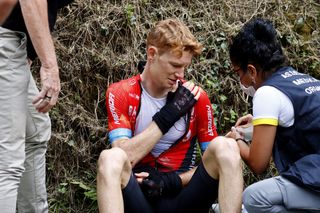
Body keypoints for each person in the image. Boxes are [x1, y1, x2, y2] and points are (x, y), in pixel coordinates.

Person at [97, 18, 243, 213]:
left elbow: (214, 165)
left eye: (185, 66)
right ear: (152, 54)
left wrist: (171, 181)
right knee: (109, 158)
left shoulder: (195, 98)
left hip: (183, 197)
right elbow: (126, 157)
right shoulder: (121, 92)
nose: (181, 75)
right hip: (140, 199)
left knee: (227, 146)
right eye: (175, 65)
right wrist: (170, 114)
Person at [228, 18, 320, 212]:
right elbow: (304, 124)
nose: (240, 80)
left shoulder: (266, 93)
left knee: (253, 198)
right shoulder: (302, 79)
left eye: (238, 72)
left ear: (251, 70)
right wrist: (257, 125)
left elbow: (258, 163)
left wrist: (236, 139)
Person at [0, 0, 72, 212]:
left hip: (12, 46)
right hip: (6, 43)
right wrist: (49, 65)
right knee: (7, 162)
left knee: (35, 131)